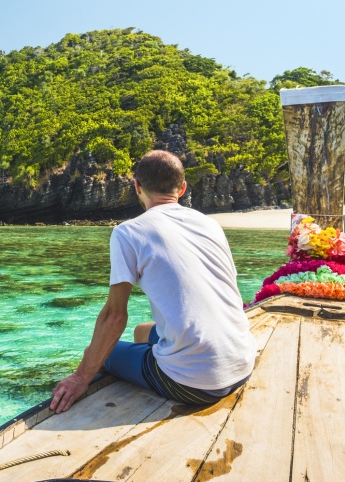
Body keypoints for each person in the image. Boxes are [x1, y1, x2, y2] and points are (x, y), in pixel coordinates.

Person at [49, 150, 256, 413]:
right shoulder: (210, 225)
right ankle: (152, 357)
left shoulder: (128, 232)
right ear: (182, 188)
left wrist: (80, 377)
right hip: (241, 361)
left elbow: (114, 317)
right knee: (141, 331)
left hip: (195, 384)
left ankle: (147, 365)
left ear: (136, 186)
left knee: (101, 353)